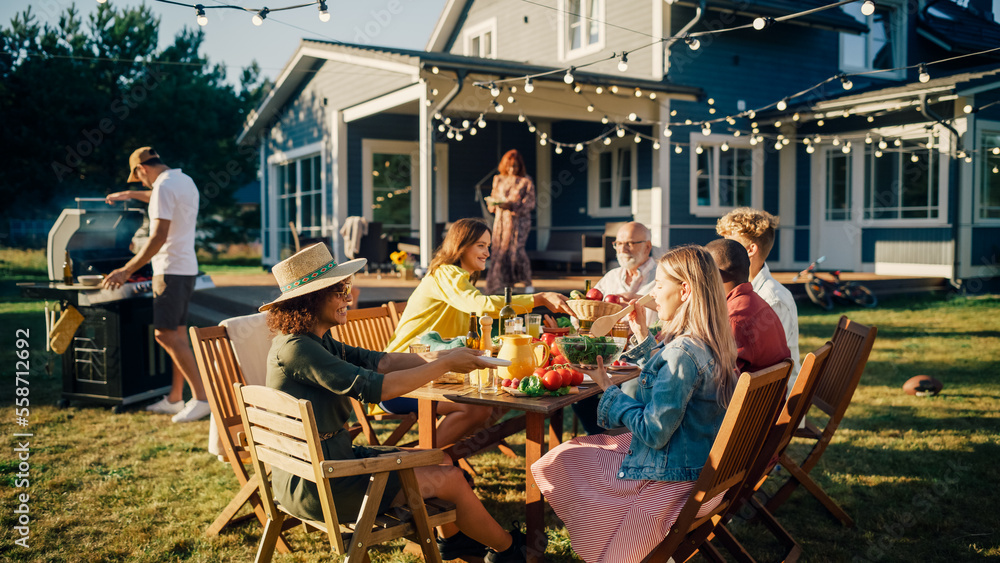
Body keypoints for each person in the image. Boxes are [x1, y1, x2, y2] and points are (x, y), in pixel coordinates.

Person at [260, 242, 526, 562]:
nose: (349, 296)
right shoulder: (299, 349)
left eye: (347, 287)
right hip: (323, 486)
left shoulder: (309, 340)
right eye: (340, 289)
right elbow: (379, 388)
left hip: (315, 469)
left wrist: (443, 355)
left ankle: (454, 543)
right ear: (311, 299)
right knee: (451, 477)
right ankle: (510, 552)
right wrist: (444, 366)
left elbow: (381, 362)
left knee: (437, 459)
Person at [531, 245, 738, 563]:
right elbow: (674, 380)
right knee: (570, 456)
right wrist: (643, 334)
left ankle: (613, 540)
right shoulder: (711, 340)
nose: (653, 294)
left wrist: (608, 391)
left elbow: (654, 432)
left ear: (684, 290)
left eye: (658, 284)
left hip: (675, 480)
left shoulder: (682, 352)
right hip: (704, 470)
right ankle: (619, 533)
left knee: (557, 462)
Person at [384, 218, 571, 446]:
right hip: (401, 379)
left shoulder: (459, 282)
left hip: (434, 374)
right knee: (476, 409)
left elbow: (473, 332)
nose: (487, 253)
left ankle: (436, 458)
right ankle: (424, 462)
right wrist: (537, 299)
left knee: (498, 399)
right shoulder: (445, 274)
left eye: (488, 246)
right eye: (481, 245)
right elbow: (481, 305)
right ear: (461, 245)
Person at [103, 147, 209, 423]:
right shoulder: (183, 180)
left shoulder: (163, 186)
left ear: (142, 169)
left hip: (170, 270)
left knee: (164, 335)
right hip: (186, 269)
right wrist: (130, 195)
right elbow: (157, 197)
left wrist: (126, 270)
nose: (142, 184)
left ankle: (203, 398)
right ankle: (175, 398)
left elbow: (159, 235)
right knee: (177, 335)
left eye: (139, 179)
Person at [716, 207, 801, 384]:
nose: (723, 249)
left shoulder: (772, 299)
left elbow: (770, 365)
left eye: (730, 244)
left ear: (750, 250)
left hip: (773, 399)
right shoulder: (738, 292)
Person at [706, 238, 790, 373]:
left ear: (716, 275)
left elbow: (721, 380)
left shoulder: (732, 318)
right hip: (770, 393)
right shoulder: (761, 304)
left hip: (744, 394)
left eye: (702, 272)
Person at [485, 149, 535, 294]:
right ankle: (499, 284)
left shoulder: (526, 181)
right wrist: (494, 204)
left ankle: (527, 282)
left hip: (519, 222)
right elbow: (493, 197)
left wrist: (512, 205)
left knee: (517, 251)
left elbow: (530, 203)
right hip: (501, 221)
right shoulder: (498, 179)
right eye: (510, 166)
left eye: (516, 166)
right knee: (499, 251)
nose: (512, 169)